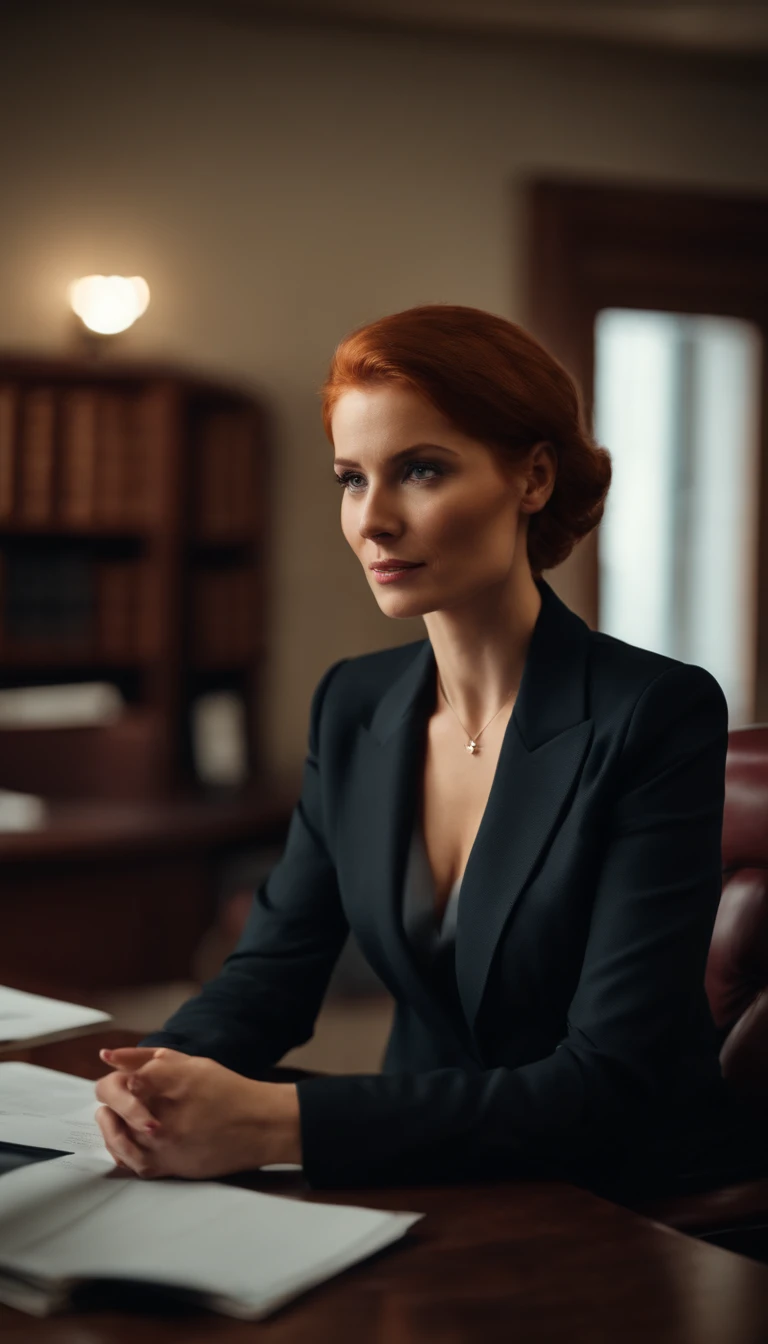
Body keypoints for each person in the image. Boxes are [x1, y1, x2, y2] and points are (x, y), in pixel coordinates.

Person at [94, 304, 757, 1194]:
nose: (373, 520)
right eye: (351, 478)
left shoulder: (656, 713)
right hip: (417, 1164)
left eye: (420, 470)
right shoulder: (352, 704)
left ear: (531, 478)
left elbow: (610, 1082)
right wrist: (155, 1077)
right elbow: (273, 971)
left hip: (615, 1199)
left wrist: (274, 1119)